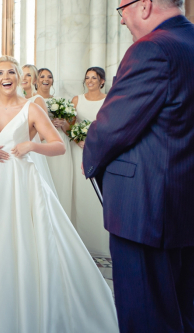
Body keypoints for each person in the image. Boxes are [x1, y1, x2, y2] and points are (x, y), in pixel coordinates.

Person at [0, 55, 118, 332]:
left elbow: (58, 145)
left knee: (24, 236)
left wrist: (32, 147)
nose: (5, 77)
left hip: (22, 180)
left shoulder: (32, 108)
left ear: (20, 76)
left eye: (11, 72)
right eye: (0, 73)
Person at [83, 0, 194, 332]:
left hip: (144, 211)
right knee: (180, 308)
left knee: (146, 316)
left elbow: (110, 128)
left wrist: (91, 163)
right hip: (186, 207)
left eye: (123, 9)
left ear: (145, 5)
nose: (121, 18)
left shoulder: (151, 49)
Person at [69, 67, 109, 256]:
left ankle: (101, 241)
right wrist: (79, 140)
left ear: (102, 81)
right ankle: (81, 242)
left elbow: (111, 125)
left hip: (101, 152)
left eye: (94, 78)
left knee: (99, 195)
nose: (90, 81)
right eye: (87, 77)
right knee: (81, 193)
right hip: (80, 151)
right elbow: (70, 126)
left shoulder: (109, 99)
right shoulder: (77, 100)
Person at [37, 68, 74, 218]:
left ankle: (62, 218)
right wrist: (48, 123)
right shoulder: (31, 100)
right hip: (43, 143)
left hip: (60, 141)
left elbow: (69, 130)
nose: (46, 79)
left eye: (50, 77)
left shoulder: (61, 100)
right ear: (36, 80)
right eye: (42, 76)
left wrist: (63, 123)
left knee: (60, 180)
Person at [21, 64, 59, 199]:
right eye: (22, 74)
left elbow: (42, 133)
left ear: (35, 80)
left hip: (31, 150)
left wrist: (26, 143)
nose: (24, 78)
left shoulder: (37, 100)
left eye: (29, 75)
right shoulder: (15, 100)